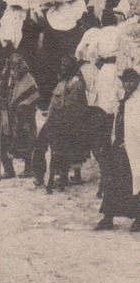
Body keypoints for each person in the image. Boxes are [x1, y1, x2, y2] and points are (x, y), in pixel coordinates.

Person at [34, 55, 89, 191]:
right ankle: (39, 175)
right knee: (40, 144)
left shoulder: (76, 83)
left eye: (65, 65)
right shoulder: (62, 82)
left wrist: (59, 118)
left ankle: (63, 177)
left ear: (72, 67)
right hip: (54, 120)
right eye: (62, 65)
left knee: (64, 149)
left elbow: (72, 107)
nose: (62, 67)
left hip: (67, 123)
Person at [95, 68, 140, 231]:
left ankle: (138, 218)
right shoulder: (121, 100)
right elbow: (115, 121)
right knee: (112, 181)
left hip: (134, 149)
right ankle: (108, 217)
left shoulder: (138, 101)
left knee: (134, 182)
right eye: (126, 81)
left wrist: (129, 142)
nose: (129, 84)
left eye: (132, 81)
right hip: (118, 147)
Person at [0, 48, 40, 179]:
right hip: (7, 115)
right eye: (12, 65)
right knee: (3, 140)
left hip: (23, 117)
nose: (14, 68)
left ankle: (29, 168)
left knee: (26, 140)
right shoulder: (5, 77)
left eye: (16, 65)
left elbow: (34, 95)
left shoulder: (28, 79)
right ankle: (8, 169)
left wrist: (23, 106)